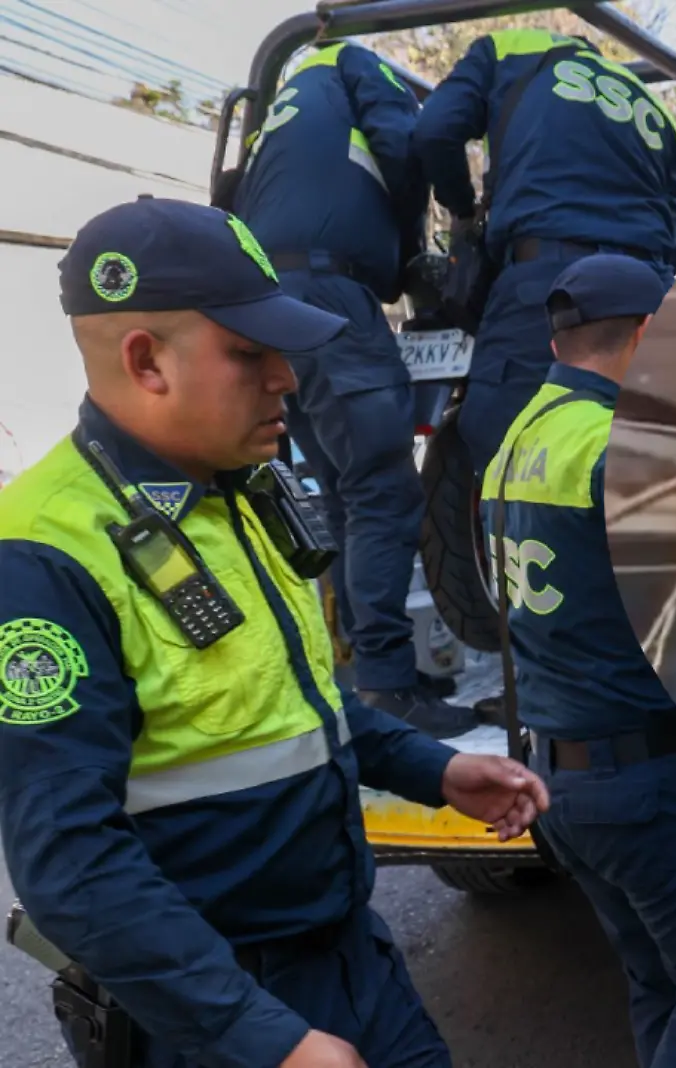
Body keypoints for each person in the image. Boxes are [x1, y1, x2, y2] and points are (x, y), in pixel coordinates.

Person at [0, 197, 549, 1068]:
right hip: (215, 1008)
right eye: (250, 355)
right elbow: (71, 864)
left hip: (346, 959)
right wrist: (266, 1039)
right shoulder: (42, 555)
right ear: (145, 361)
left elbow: (295, 705)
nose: (287, 379)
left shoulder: (238, 490)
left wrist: (436, 769)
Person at [479, 254, 676, 1067]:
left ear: (558, 344)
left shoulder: (517, 441)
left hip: (564, 775)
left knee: (663, 978)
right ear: (652, 333)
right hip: (647, 780)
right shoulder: (626, 448)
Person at [231, 40, 477, 736]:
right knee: (382, 490)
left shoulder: (289, 94)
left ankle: (360, 671)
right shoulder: (359, 67)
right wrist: (416, 253)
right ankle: (388, 685)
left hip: (266, 300)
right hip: (326, 293)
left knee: (341, 490)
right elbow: (408, 150)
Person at [413, 27, 676, 471]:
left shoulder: (506, 52)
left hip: (545, 278)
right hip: (646, 290)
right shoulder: (654, 105)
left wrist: (464, 213)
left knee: (509, 446)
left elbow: (434, 131)